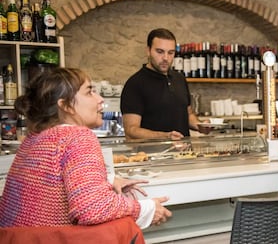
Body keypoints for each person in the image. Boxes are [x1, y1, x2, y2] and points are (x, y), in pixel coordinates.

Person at [0, 68, 172, 228]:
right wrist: (145, 209)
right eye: (90, 92)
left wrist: (106, 181)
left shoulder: (35, 138)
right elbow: (92, 209)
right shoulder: (77, 136)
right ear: (65, 106)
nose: (100, 99)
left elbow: (52, 180)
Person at [121, 28, 209, 140]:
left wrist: (199, 125)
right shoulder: (135, 84)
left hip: (185, 154)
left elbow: (188, 114)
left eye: (170, 53)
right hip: (153, 156)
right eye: (160, 52)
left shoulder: (180, 79)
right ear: (148, 51)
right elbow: (131, 130)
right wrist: (165, 136)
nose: (165, 58)